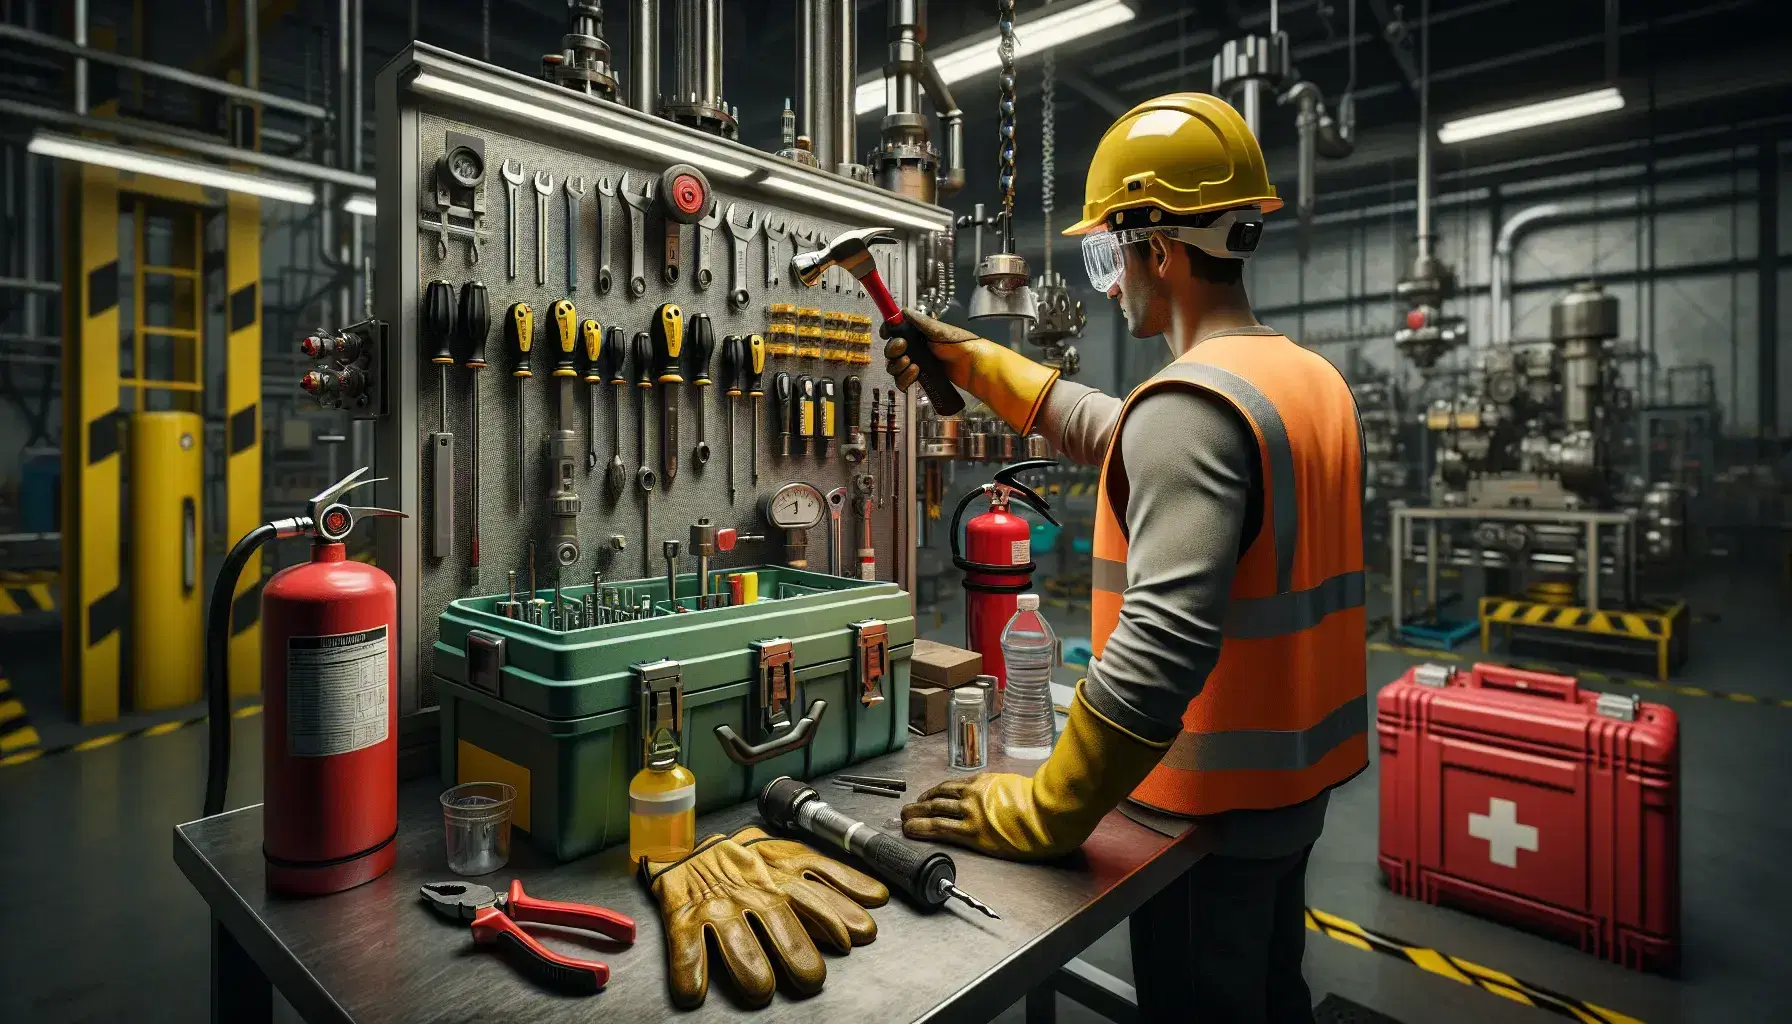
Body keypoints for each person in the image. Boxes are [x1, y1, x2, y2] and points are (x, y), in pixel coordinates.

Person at [888, 93, 1369, 1023]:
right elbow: (1120, 430)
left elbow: (1157, 653)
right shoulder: (1304, 381)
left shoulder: (1192, 407)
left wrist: (1048, 811)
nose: (1108, 283)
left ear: (1158, 246)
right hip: (1290, 793)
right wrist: (976, 360)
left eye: (1110, 253)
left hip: (1203, 818)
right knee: (1275, 997)